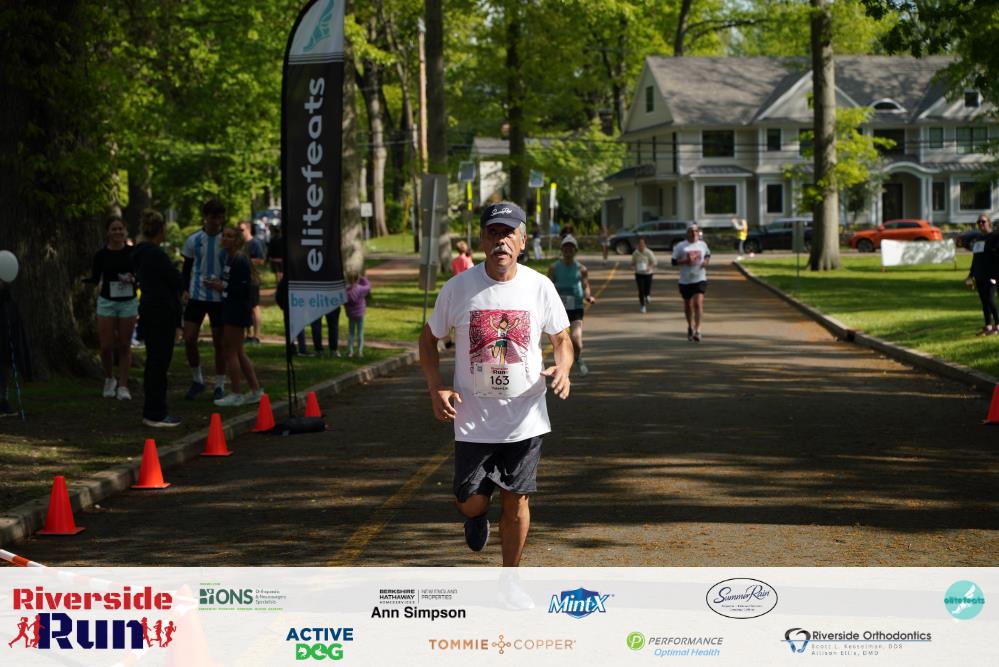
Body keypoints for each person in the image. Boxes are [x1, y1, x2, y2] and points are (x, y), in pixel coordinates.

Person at [419, 201, 573, 576]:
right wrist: (436, 387)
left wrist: (564, 367)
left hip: (525, 418)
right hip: (474, 420)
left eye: (508, 234)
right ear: (482, 240)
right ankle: (476, 516)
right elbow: (428, 339)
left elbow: (562, 339)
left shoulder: (540, 286)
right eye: (493, 233)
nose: (501, 241)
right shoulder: (458, 288)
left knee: (516, 501)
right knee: (471, 502)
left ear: (522, 241)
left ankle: (510, 580)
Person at [131, 209, 184, 427]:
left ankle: (153, 410)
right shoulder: (155, 254)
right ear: (160, 231)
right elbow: (175, 279)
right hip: (161, 311)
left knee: (154, 361)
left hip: (150, 309)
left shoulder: (139, 253)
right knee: (159, 363)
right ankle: (155, 412)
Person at [209, 226, 263, 406]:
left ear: (237, 240)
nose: (225, 239)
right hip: (230, 307)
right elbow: (231, 283)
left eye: (230, 236)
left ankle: (236, 393)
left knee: (230, 351)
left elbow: (242, 289)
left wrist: (222, 287)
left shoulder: (239, 260)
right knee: (238, 351)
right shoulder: (230, 258)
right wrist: (219, 283)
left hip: (237, 310)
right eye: (224, 235)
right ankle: (255, 390)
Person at [86, 214, 138, 400]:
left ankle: (123, 386)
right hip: (107, 301)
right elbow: (95, 277)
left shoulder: (133, 253)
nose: (117, 232)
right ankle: (109, 379)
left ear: (125, 231)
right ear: (107, 232)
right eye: (114, 229)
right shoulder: (101, 255)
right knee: (106, 346)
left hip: (128, 302)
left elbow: (140, 275)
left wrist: (133, 278)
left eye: (120, 229)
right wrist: (86, 282)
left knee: (124, 344)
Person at [181, 198, 227, 400]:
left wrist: (224, 284)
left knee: (220, 343)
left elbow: (234, 265)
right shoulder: (194, 240)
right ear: (205, 217)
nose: (216, 222)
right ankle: (197, 380)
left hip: (219, 298)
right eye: (212, 217)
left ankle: (219, 384)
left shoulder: (226, 239)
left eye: (219, 217)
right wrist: (183, 289)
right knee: (189, 338)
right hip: (196, 295)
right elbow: (186, 268)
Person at [548, 234, 595, 376]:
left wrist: (588, 296)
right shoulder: (554, 267)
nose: (568, 250)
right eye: (565, 247)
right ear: (562, 250)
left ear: (575, 251)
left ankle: (578, 358)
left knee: (576, 339)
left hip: (576, 307)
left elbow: (585, 285)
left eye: (571, 248)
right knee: (560, 340)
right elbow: (547, 286)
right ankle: (562, 367)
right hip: (559, 308)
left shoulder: (581, 269)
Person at [672, 223, 711, 342]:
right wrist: (685, 261)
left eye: (696, 231)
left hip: (700, 278)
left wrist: (706, 261)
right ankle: (690, 326)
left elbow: (708, 254)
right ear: (687, 233)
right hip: (685, 280)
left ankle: (698, 330)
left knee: (698, 304)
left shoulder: (703, 244)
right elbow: (673, 261)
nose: (694, 233)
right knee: (688, 305)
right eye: (691, 231)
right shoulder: (681, 246)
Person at [965, 213, 999, 336]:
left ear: (989, 222)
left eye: (983, 221)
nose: (980, 224)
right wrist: (970, 275)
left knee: (990, 299)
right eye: (978, 222)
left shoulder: (995, 237)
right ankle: (988, 326)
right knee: (984, 301)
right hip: (979, 275)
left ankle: (998, 326)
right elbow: (976, 259)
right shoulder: (978, 239)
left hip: (992, 275)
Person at [239, 220, 266, 345]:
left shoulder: (255, 243)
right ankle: (248, 334)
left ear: (248, 229)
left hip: (253, 280)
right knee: (245, 306)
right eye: (239, 230)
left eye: (242, 230)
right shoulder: (240, 244)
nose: (240, 232)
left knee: (254, 307)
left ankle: (256, 335)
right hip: (241, 279)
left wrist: (246, 261)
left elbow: (261, 260)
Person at [344, 269, 371, 357]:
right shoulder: (361, 289)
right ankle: (360, 351)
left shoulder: (346, 291)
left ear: (348, 279)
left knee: (351, 333)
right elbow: (368, 286)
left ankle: (350, 351)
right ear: (357, 278)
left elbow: (344, 302)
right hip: (360, 313)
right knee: (360, 332)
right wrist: (362, 278)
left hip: (351, 314)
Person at [631, 236, 657, 313]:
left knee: (647, 289)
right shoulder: (635, 253)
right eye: (639, 244)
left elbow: (654, 262)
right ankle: (642, 306)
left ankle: (647, 295)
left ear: (645, 244)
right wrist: (633, 267)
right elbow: (633, 263)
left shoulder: (649, 252)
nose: (641, 245)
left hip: (648, 273)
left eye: (642, 244)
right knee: (641, 290)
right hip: (639, 274)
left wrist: (649, 267)